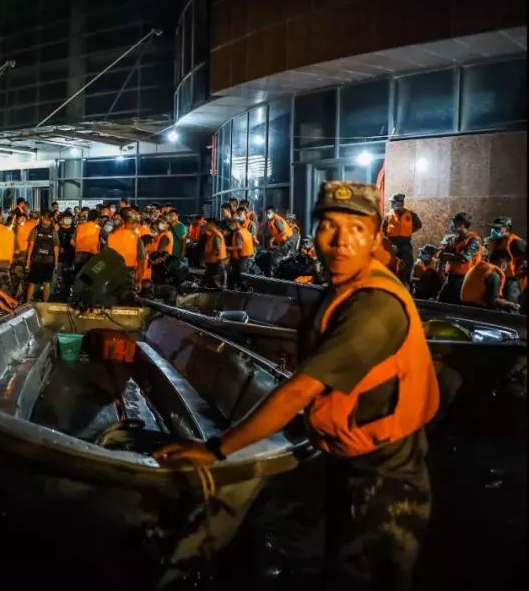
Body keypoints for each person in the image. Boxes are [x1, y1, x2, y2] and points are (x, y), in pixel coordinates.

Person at [155, 180, 439, 591]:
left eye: (356, 229)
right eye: (328, 226)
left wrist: (216, 450)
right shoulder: (344, 289)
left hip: (382, 475)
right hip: (345, 457)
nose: (340, 241)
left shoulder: (375, 306)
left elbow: (299, 390)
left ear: (377, 237)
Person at [437, 212, 482, 304]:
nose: (452, 224)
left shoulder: (474, 239)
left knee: (458, 304)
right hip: (451, 277)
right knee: (442, 300)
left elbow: (464, 258)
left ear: (462, 224)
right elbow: (440, 255)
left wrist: (449, 256)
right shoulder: (454, 239)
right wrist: (453, 256)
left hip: (465, 279)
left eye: (454, 222)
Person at [384, 193, 423, 285]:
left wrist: (409, 231)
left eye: (393, 202)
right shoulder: (388, 215)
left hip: (405, 244)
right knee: (390, 264)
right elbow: (383, 229)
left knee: (407, 264)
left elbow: (418, 225)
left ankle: (406, 284)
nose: (391, 204)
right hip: (392, 243)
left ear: (400, 203)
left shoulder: (411, 214)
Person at [486, 217, 527, 302]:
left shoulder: (515, 242)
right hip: (497, 279)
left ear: (507, 229)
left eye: (498, 228)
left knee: (511, 306)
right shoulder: (495, 242)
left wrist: (523, 271)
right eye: (493, 228)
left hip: (511, 282)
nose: (494, 230)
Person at [106, 209, 145, 290]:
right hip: (128, 275)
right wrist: (139, 281)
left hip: (111, 274)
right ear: (130, 223)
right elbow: (141, 263)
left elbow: (104, 256)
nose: (136, 226)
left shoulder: (111, 235)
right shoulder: (136, 238)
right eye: (135, 223)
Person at [25, 211, 59, 302]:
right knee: (46, 283)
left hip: (37, 259)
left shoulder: (35, 229)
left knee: (32, 283)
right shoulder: (53, 231)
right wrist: (56, 263)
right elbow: (56, 248)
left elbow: (31, 246)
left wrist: (28, 260)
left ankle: (27, 303)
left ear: (42, 218)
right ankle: (45, 303)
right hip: (49, 260)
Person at [227, 215, 259, 291]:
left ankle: (245, 290)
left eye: (233, 223)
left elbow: (239, 246)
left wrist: (228, 248)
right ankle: (237, 287)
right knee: (236, 273)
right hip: (247, 256)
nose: (231, 225)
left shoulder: (238, 233)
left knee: (242, 275)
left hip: (243, 257)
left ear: (237, 223)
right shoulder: (245, 230)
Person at [201, 217, 228, 289]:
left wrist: (206, 257)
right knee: (208, 281)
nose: (206, 225)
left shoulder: (216, 235)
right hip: (212, 262)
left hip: (216, 263)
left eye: (207, 224)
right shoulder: (212, 235)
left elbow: (216, 249)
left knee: (215, 283)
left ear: (212, 225)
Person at [72, 213, 101, 277]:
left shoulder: (79, 227)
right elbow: (108, 237)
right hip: (91, 255)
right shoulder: (98, 227)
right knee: (89, 275)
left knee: (77, 274)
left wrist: (78, 246)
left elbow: (72, 241)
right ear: (96, 219)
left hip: (79, 254)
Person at [56, 212, 76, 298]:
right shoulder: (58, 229)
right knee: (59, 275)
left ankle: (67, 293)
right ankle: (57, 293)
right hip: (59, 258)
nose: (67, 219)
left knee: (68, 276)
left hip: (71, 257)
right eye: (66, 218)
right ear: (62, 219)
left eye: (69, 218)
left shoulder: (74, 229)